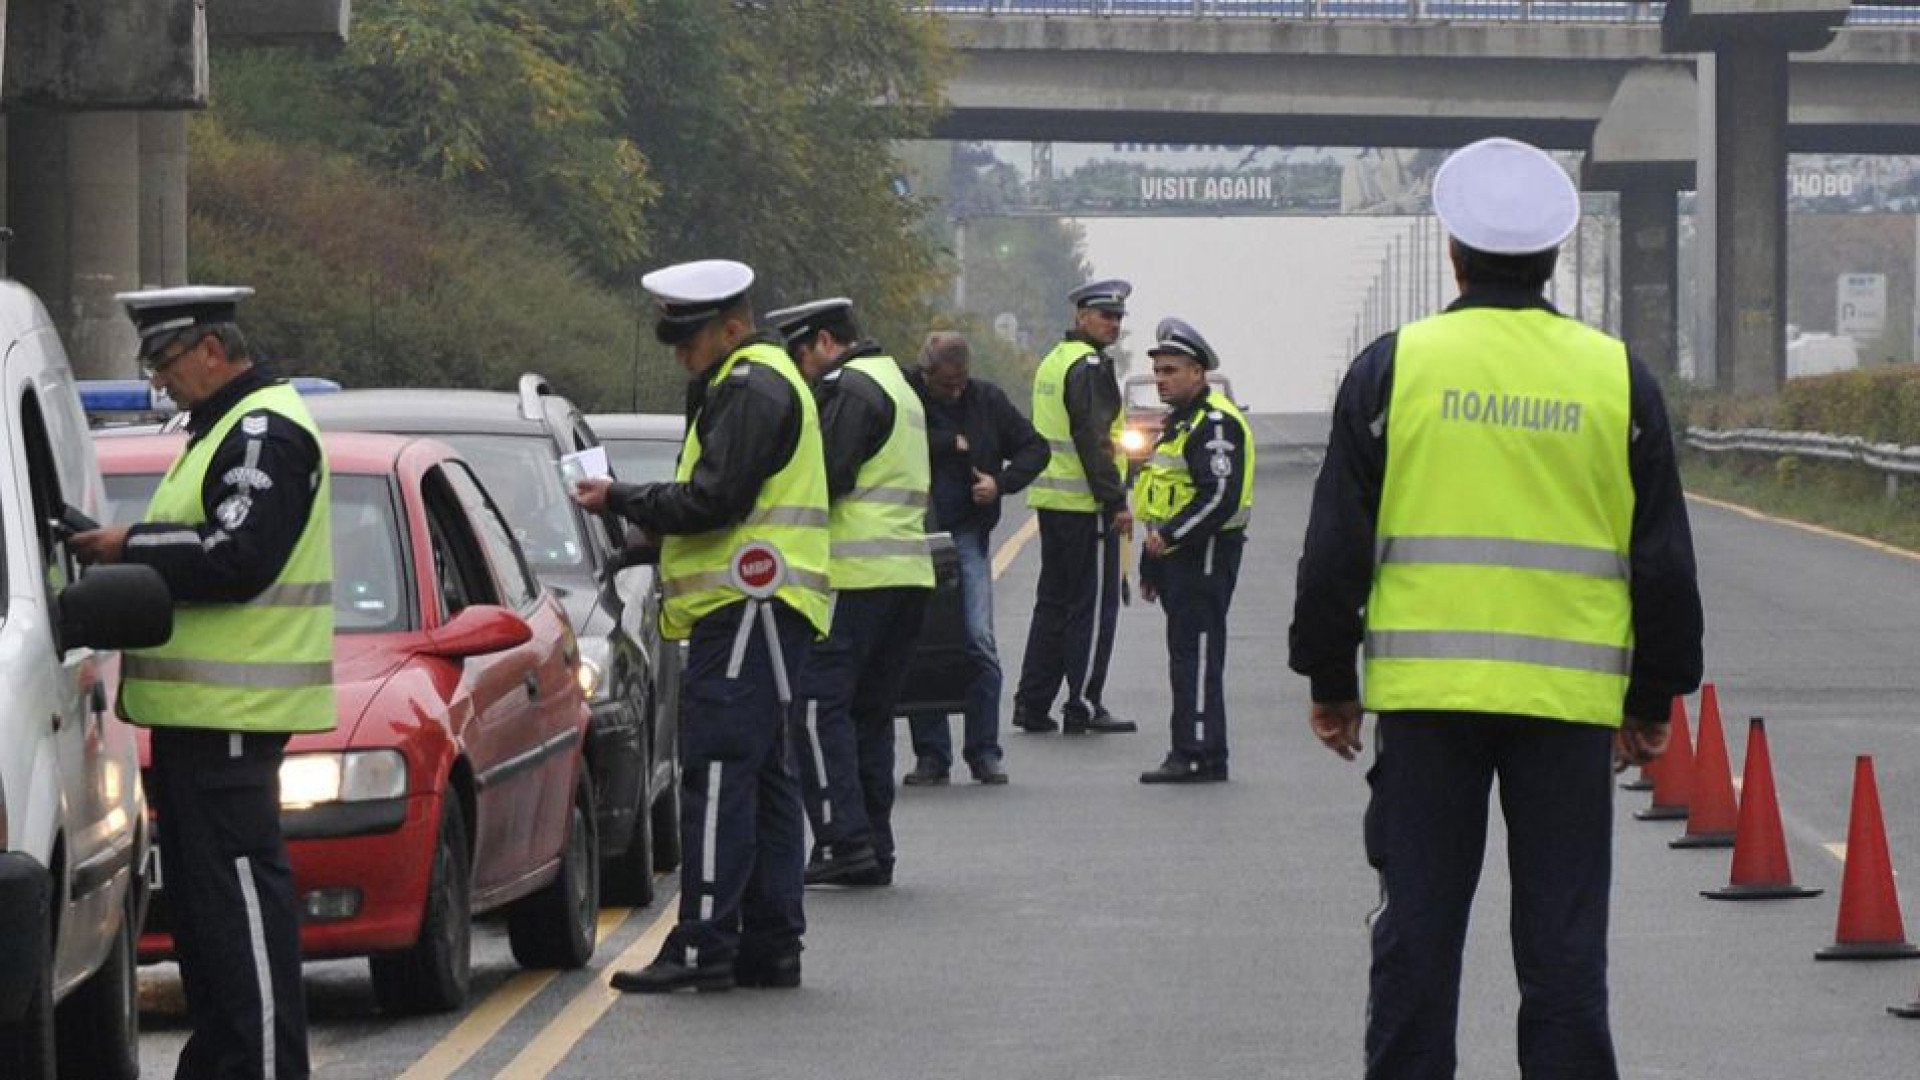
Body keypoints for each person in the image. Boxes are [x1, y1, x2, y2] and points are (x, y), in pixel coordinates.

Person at [1288, 137, 1704, 1080]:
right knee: (1562, 950)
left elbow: (1335, 548)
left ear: (1453, 253)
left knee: (1419, 935)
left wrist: (1330, 679)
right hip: (1568, 712)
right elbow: (1665, 562)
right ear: (1555, 257)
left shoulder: (1395, 370)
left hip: (1430, 704)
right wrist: (1653, 700)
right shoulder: (1616, 378)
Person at [71, 285, 334, 1080]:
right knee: (210, 918)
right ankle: (224, 1062)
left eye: (166, 361)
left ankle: (256, 1068)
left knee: (241, 910)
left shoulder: (261, 430)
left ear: (213, 350)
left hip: (233, 715)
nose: (162, 381)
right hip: (200, 720)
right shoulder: (225, 428)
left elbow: (236, 556)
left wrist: (128, 547)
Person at [573, 259, 830, 993]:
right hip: (766, 608)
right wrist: (641, 542)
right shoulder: (744, 382)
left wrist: (621, 496)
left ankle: (702, 944)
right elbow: (729, 506)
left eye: (688, 340)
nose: (680, 353)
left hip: (746, 609)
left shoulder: (750, 387)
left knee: (717, 773)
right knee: (767, 777)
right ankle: (771, 943)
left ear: (733, 326)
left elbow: (715, 499)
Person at [764, 297, 933, 887]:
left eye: (800, 352)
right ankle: (873, 845)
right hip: (905, 576)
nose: (800, 366)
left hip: (854, 576)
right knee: (869, 715)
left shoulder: (851, 389)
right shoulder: (899, 385)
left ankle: (841, 839)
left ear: (827, 342)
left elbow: (825, 479)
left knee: (813, 707)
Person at [902, 331, 1050, 786]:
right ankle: (931, 755)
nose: (956, 391)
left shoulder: (987, 400)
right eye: (947, 384)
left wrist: (1000, 484)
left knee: (977, 639)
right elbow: (893, 441)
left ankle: (984, 751)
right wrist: (951, 444)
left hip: (967, 535)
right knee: (919, 643)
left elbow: (1034, 447)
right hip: (914, 538)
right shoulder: (904, 396)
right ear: (927, 374)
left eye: (961, 381)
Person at [1012, 280, 1138, 736]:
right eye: (1106, 316)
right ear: (1081, 316)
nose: (1114, 325)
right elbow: (1094, 439)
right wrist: (1115, 500)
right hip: (1085, 506)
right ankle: (1083, 702)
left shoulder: (1054, 360)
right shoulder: (1087, 367)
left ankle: (1032, 702)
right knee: (1093, 607)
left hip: (1054, 502)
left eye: (1119, 318)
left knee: (1052, 604)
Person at [1131, 318, 1254, 784]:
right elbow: (1160, 493)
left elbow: (1219, 496)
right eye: (1158, 371)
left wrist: (1174, 537)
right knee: (1184, 652)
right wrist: (1151, 562)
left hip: (1205, 553)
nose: (1161, 379)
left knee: (1197, 653)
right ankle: (1195, 747)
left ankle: (1198, 752)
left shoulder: (1214, 424)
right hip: (1179, 558)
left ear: (1198, 373)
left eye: (1171, 371)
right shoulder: (1180, 423)